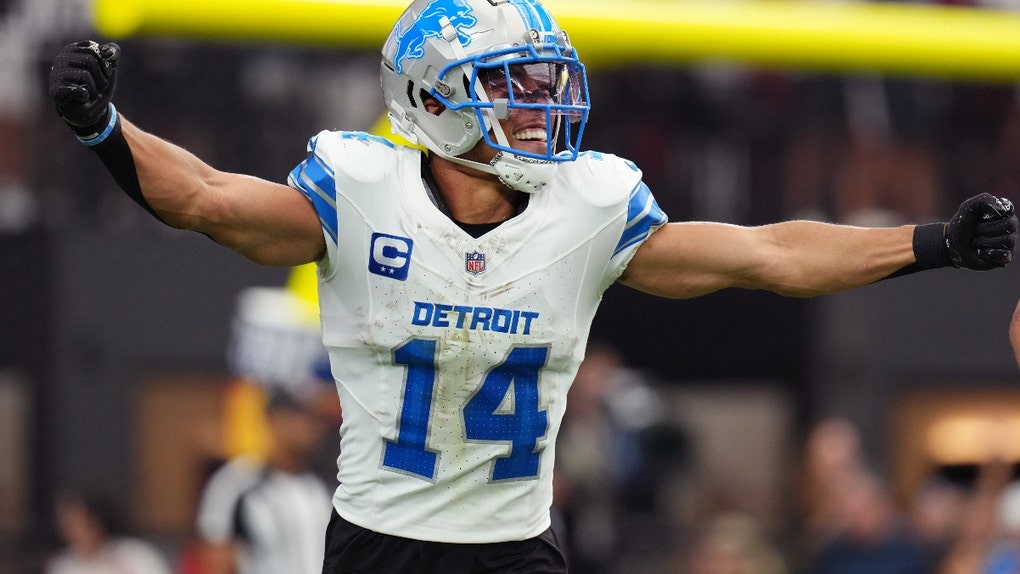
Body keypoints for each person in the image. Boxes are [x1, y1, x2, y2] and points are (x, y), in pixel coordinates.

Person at [47, 0, 1017, 571]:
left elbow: (765, 254)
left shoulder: (589, 205)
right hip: (382, 545)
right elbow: (210, 200)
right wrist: (105, 128)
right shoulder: (362, 193)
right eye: (511, 82)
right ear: (429, 98)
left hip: (518, 548)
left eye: (545, 81)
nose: (541, 103)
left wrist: (929, 241)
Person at [193, 386, 333, 574]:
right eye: (299, 416)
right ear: (272, 420)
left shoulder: (330, 485)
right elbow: (218, 558)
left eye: (315, 418)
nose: (310, 427)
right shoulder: (236, 481)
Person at [45, 489, 173, 574]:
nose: (68, 528)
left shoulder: (136, 555)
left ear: (96, 522)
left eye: (74, 522)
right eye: (64, 522)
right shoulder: (61, 566)